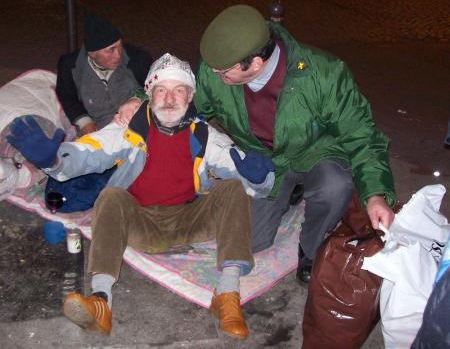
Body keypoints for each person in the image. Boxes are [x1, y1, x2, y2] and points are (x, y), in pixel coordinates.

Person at [7, 54, 275, 339]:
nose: (170, 98)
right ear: (149, 93)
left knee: (232, 189)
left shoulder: (205, 135)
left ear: (190, 96)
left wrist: (260, 177)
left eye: (179, 90)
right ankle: (101, 302)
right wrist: (54, 160)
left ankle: (227, 295)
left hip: (190, 219)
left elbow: (254, 180)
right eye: (162, 89)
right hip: (141, 223)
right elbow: (88, 153)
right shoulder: (129, 129)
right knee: (110, 197)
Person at [193, 4, 396, 283]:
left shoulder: (323, 74)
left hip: (315, 153)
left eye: (223, 72)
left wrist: (375, 194)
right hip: (264, 161)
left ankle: (311, 249)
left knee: (334, 186)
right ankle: (288, 192)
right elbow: (184, 100)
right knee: (251, 244)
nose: (214, 76)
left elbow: (362, 134)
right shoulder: (215, 70)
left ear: (254, 63)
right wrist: (141, 100)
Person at [56, 14, 152, 136]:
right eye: (111, 50)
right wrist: (84, 122)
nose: (118, 55)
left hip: (136, 125)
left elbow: (156, 86)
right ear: (91, 54)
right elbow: (67, 98)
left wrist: (137, 98)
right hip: (99, 130)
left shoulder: (138, 59)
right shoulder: (70, 66)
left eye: (119, 46)